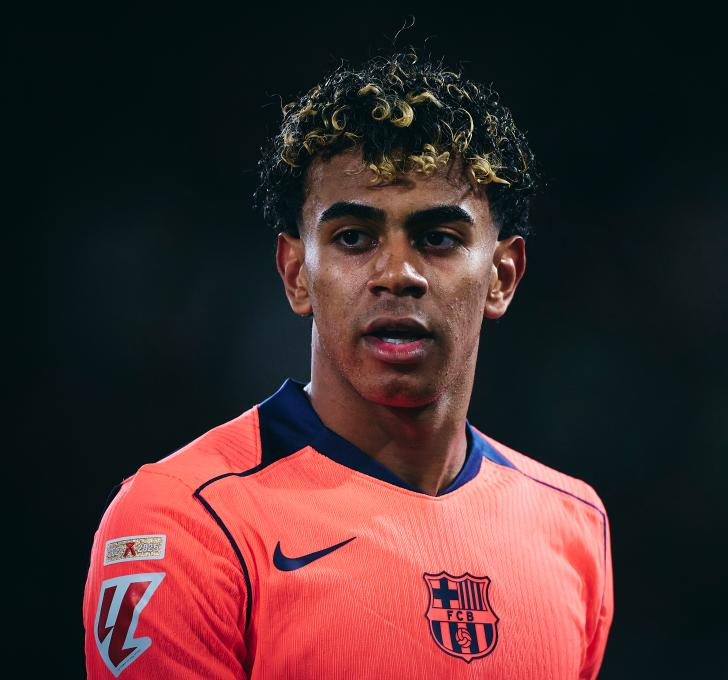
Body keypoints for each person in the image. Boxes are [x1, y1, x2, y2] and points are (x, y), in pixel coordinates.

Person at [83, 50, 613, 679]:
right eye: (354, 238)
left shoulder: (573, 524)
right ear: (296, 274)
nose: (398, 274)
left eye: (438, 238)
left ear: (502, 276)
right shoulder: (184, 523)